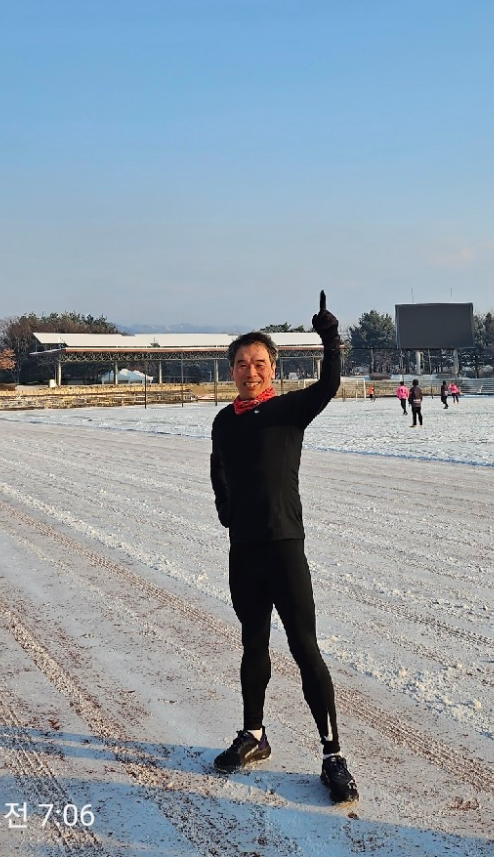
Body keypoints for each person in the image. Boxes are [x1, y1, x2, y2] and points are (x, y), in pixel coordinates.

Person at [209, 291, 358, 804]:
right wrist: (226, 509)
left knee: (304, 647)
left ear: (273, 369)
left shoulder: (289, 410)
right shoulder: (224, 421)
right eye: (241, 364)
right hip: (244, 551)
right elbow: (218, 470)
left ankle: (332, 754)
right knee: (253, 644)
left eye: (259, 363)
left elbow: (330, 383)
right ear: (232, 370)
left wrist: (330, 339)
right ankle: (254, 735)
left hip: (284, 546)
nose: (250, 371)